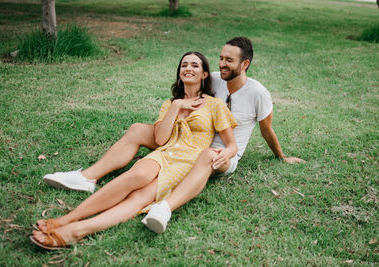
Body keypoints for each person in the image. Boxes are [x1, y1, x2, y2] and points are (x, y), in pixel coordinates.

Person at [43, 37, 305, 234]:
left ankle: (165, 206)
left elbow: (265, 129)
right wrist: (178, 105)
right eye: (220, 58)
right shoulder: (210, 80)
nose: (221, 64)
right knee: (137, 133)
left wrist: (280, 156)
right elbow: (167, 125)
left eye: (229, 60)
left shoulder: (256, 93)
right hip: (177, 141)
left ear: (244, 64)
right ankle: (87, 177)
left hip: (215, 153)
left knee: (202, 157)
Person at [30, 51, 237, 249]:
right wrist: (177, 106)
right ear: (179, 73)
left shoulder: (214, 105)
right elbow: (160, 138)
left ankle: (75, 231)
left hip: (187, 161)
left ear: (205, 74)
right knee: (136, 174)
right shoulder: (170, 104)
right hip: (164, 153)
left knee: (138, 198)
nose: (188, 68)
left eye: (194, 65)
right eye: (184, 65)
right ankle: (67, 218)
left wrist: (226, 155)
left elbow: (231, 145)